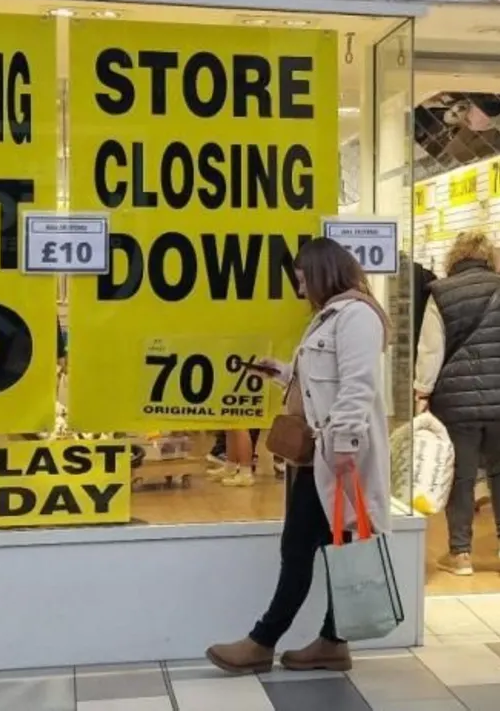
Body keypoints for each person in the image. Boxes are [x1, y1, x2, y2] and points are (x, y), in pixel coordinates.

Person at [207, 238, 391, 675]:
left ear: (323, 272)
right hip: (321, 456)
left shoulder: (356, 317)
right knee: (321, 546)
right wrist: (283, 375)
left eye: (303, 278)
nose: (299, 287)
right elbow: (323, 385)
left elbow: (358, 386)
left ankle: (264, 641)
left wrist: (344, 446)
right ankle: (329, 642)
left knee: (316, 547)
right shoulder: (329, 318)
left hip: (339, 457)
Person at [415, 231, 500, 576]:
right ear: (492, 258)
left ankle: (460, 554)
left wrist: (422, 391)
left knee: (461, 475)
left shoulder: (441, 294)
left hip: (456, 402)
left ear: (453, 258)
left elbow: (431, 348)